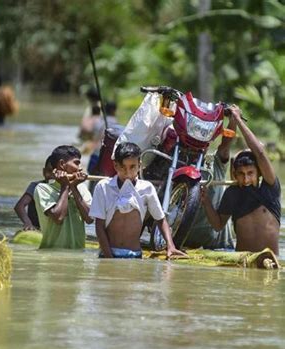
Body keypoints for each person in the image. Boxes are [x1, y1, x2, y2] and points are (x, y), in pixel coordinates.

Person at [202, 105, 281, 255]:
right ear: (234, 174)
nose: (245, 179)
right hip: (242, 262)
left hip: (272, 261)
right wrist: (206, 202)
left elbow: (260, 153)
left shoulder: (270, 187)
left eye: (250, 173)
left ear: (259, 173)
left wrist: (238, 120)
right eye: (241, 174)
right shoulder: (232, 194)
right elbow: (218, 225)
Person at [89, 142, 187, 259]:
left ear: (139, 165)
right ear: (115, 166)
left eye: (132, 167)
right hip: (108, 253)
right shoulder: (103, 187)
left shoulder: (146, 188)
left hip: (134, 255)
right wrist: (109, 257)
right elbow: (99, 226)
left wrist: (170, 246)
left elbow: (160, 219)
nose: (128, 173)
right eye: (123, 167)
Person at [184, 116, 237, 249]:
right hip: (183, 242)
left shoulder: (215, 162)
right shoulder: (180, 162)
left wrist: (233, 120)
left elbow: (225, 146)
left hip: (219, 244)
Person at [34, 145, 93, 249]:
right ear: (62, 164)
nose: (80, 168)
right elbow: (59, 218)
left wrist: (73, 187)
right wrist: (65, 186)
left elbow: (89, 218)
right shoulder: (43, 189)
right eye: (76, 163)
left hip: (78, 256)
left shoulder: (81, 189)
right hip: (51, 255)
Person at [14, 156, 53, 231]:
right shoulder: (36, 186)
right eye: (49, 171)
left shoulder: (64, 189)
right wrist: (28, 224)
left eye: (55, 172)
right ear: (44, 172)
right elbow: (19, 206)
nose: (52, 176)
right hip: (35, 227)